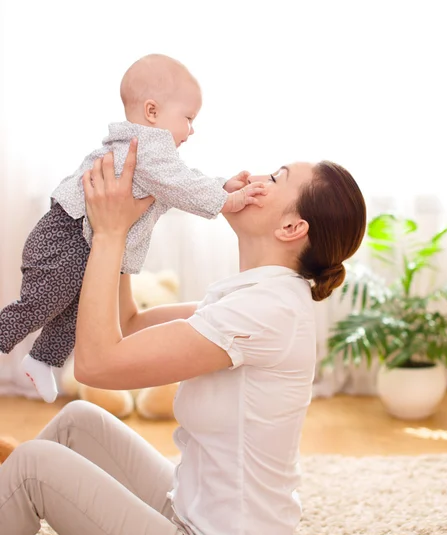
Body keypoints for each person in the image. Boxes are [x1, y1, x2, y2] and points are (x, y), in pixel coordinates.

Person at [0, 141, 367, 535]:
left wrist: (110, 234)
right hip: (191, 519)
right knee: (79, 422)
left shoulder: (267, 310)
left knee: (36, 465)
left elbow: (97, 363)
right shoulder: (252, 295)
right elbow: (129, 325)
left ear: (292, 227)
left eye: (275, 178)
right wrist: (133, 224)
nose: (254, 176)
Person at [0, 54, 264, 403]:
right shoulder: (147, 146)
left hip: (80, 241)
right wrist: (227, 200)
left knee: (79, 308)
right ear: (152, 112)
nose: (192, 129)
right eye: (188, 118)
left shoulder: (154, 160)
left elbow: (180, 184)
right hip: (64, 237)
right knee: (41, 304)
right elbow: (182, 186)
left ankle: (42, 359)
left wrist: (221, 185)